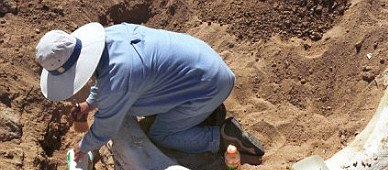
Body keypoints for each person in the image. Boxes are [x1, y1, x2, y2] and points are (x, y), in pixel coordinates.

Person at [35, 22, 265, 161]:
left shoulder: (120, 76)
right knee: (135, 100)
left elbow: (106, 126)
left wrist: (82, 148)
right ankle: (203, 113)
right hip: (205, 63)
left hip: (208, 86)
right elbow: (108, 80)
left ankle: (221, 137)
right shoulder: (112, 35)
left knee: (160, 135)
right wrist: (90, 104)